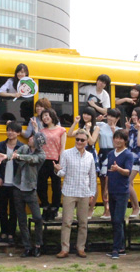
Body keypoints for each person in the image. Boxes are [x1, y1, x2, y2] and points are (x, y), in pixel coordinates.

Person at [0, 132, 47, 257]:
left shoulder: (41, 154)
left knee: (38, 218)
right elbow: (14, 155)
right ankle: (27, 247)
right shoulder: (23, 148)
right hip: (18, 187)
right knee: (21, 220)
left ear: (37, 143)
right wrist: (7, 156)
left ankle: (38, 245)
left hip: (30, 189)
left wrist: (17, 156)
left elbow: (31, 159)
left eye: (32, 138)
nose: (30, 138)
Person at [54, 129, 97, 258]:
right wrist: (57, 170)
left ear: (87, 141)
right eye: (77, 139)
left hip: (84, 192)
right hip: (69, 191)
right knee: (66, 221)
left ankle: (81, 248)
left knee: (83, 222)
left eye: (82, 140)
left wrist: (92, 193)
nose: (79, 142)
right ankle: (64, 249)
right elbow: (62, 173)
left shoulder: (90, 156)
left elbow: (92, 176)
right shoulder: (66, 154)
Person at [0, 121, 24, 245]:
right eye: (8, 130)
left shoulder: (22, 147)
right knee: (2, 209)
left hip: (15, 184)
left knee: (14, 210)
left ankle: (11, 234)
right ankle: (3, 233)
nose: (10, 133)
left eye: (13, 131)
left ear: (18, 133)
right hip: (3, 183)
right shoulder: (0, 145)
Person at [105, 129, 134, 259]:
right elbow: (108, 173)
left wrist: (118, 169)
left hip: (122, 191)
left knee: (118, 219)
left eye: (121, 138)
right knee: (115, 220)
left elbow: (128, 172)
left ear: (125, 140)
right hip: (112, 190)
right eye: (116, 138)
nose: (117, 140)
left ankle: (116, 249)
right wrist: (105, 189)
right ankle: (121, 246)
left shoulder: (128, 154)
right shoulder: (111, 154)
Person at [34, 108, 68, 221]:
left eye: (47, 115)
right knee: (41, 186)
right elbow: (38, 145)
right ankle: (45, 206)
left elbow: (62, 147)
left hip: (55, 160)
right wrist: (36, 130)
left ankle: (54, 208)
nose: (45, 118)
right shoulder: (42, 131)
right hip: (43, 160)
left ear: (52, 116)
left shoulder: (61, 130)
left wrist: (60, 162)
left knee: (56, 186)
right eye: (43, 116)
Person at [68, 107, 101, 217]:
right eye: (84, 114)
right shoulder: (81, 127)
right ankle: (82, 209)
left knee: (93, 183)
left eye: (88, 114)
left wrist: (88, 129)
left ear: (92, 116)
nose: (85, 116)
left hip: (91, 156)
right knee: (82, 181)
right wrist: (75, 122)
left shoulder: (96, 127)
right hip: (80, 156)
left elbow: (91, 142)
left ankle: (91, 209)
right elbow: (70, 134)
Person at [96, 108, 122, 219]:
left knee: (111, 183)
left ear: (117, 119)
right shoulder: (101, 125)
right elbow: (90, 125)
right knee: (103, 182)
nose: (110, 118)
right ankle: (105, 208)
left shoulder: (120, 130)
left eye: (113, 116)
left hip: (113, 154)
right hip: (103, 153)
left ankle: (111, 209)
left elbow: (119, 145)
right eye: (109, 116)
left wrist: (114, 131)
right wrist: (97, 119)